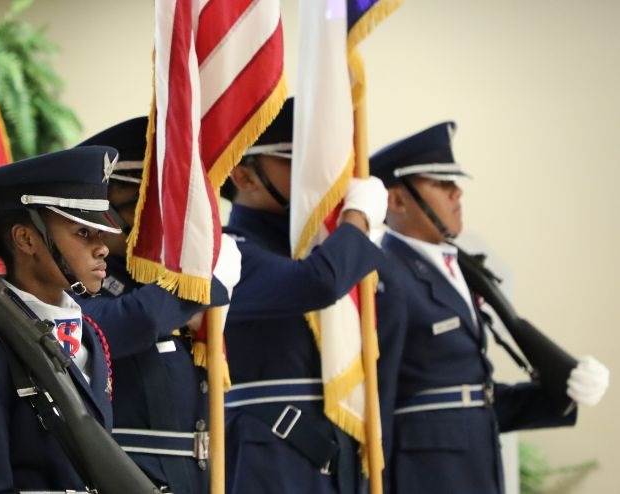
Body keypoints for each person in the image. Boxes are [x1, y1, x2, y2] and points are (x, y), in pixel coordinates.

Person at [371, 121, 610, 493]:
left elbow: (469, 395)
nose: (457, 193)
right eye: (440, 183)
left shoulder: (456, 270)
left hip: (475, 464)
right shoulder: (387, 276)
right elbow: (378, 395)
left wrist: (562, 392)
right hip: (425, 475)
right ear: (396, 200)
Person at [0, 146, 124, 493]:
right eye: (83, 233)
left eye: (100, 232)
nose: (102, 247)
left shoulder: (89, 333)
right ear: (26, 238)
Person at [220, 97, 389, 494]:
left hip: (336, 455)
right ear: (245, 177)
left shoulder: (319, 249)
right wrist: (357, 218)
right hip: (274, 459)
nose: (320, 176)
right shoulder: (228, 250)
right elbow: (317, 283)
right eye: (296, 161)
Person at [75, 117, 240, 494]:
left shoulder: (153, 282)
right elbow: (126, 324)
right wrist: (204, 284)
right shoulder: (76, 281)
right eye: (152, 206)